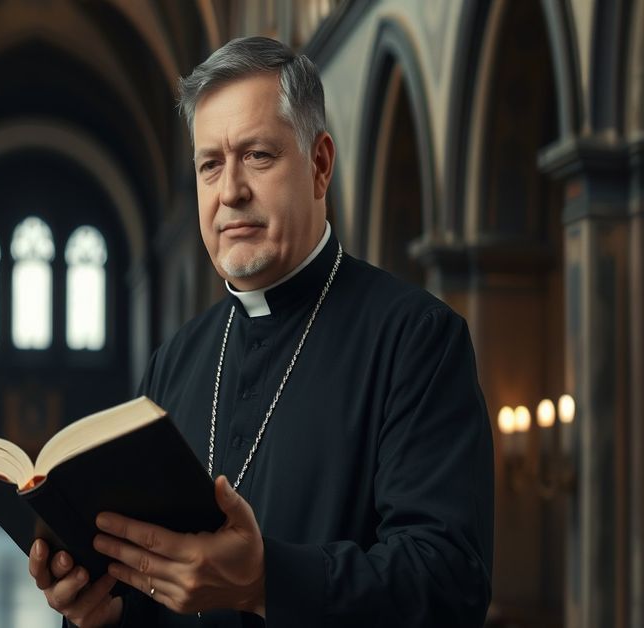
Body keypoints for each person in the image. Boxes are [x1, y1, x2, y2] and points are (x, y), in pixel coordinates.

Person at [26, 36, 494, 627]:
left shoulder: (416, 339)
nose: (230, 192)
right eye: (210, 165)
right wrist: (98, 613)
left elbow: (450, 584)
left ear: (319, 164)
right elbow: (151, 590)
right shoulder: (175, 361)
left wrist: (267, 581)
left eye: (258, 156)